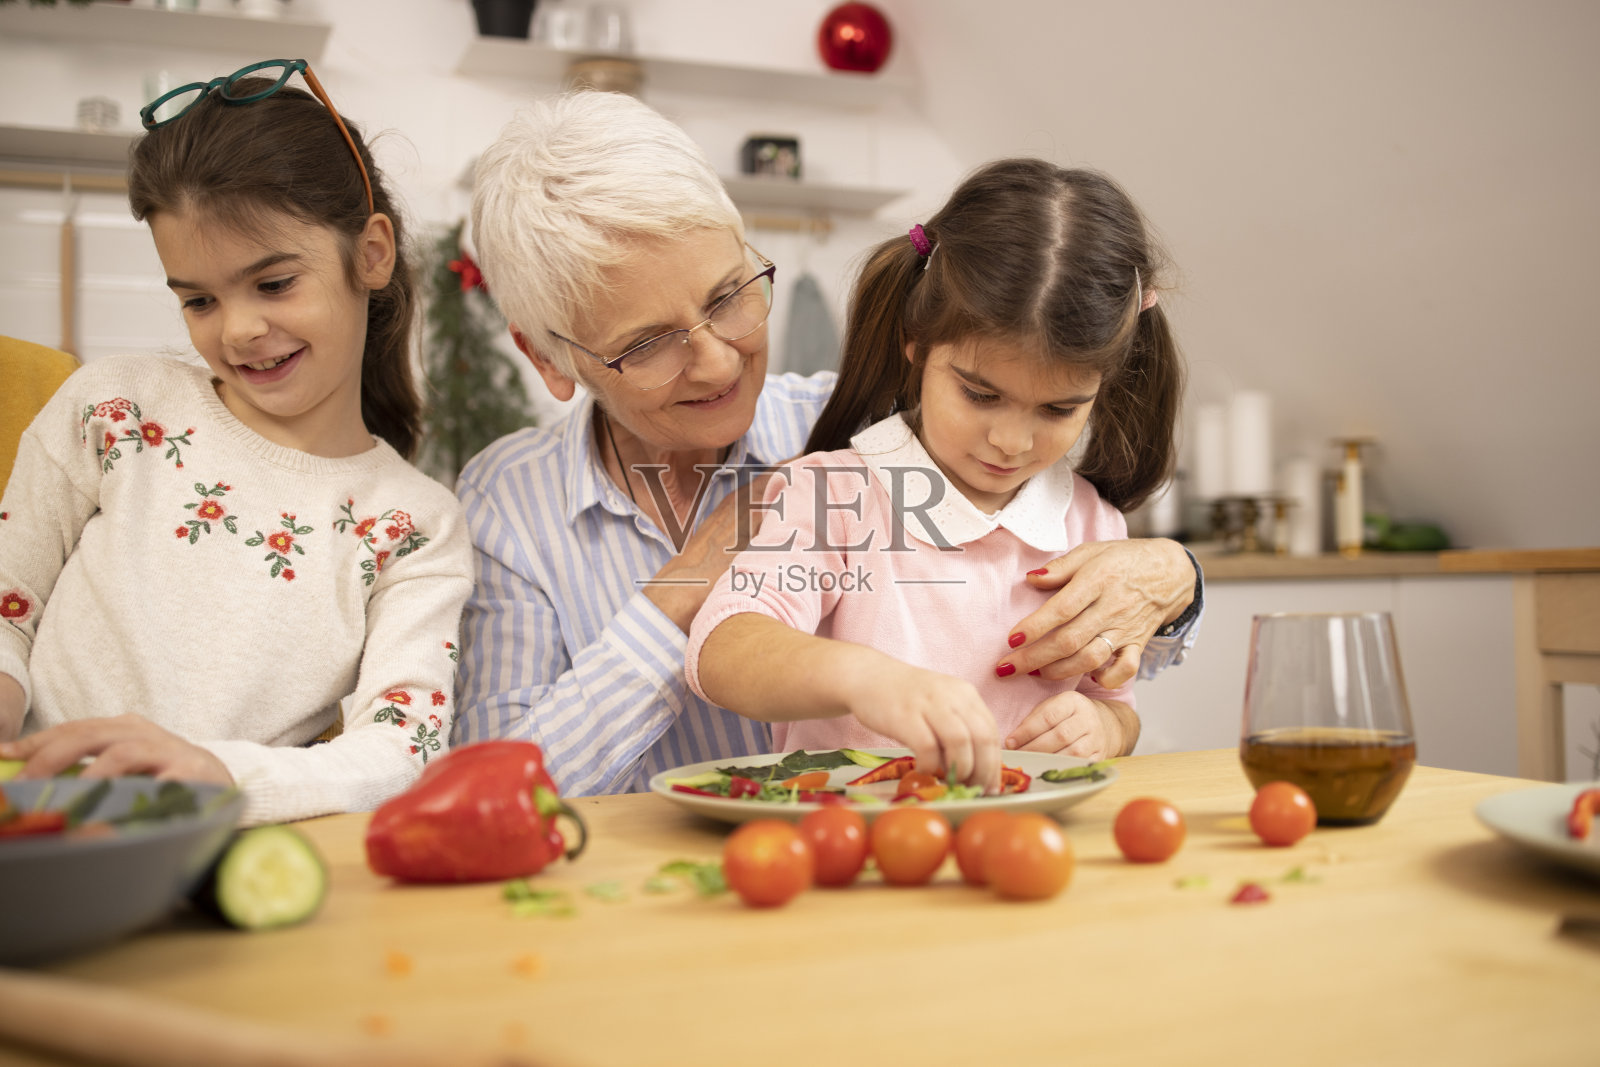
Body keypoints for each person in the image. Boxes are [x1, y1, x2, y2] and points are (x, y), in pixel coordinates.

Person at [454, 91, 1203, 797]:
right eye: (647, 343)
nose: (719, 360)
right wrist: (684, 591)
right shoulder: (514, 505)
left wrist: (1172, 579)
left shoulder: (887, 418)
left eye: (728, 297)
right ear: (548, 359)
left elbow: (1121, 680)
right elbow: (492, 793)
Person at [0, 60, 473, 826]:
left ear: (372, 253)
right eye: (198, 299)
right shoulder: (115, 407)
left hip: (211, 854)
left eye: (274, 283)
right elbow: (7, 603)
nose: (239, 329)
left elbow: (400, 751)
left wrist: (215, 774)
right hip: (28, 828)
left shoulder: (415, 525)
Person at [686, 160, 1182, 790]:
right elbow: (722, 648)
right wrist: (865, 680)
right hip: (860, 842)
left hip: (1021, 851)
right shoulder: (835, 494)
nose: (1012, 440)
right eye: (980, 394)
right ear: (916, 342)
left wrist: (1104, 729)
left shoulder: (1094, 523)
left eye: (1059, 409)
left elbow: (1117, 705)